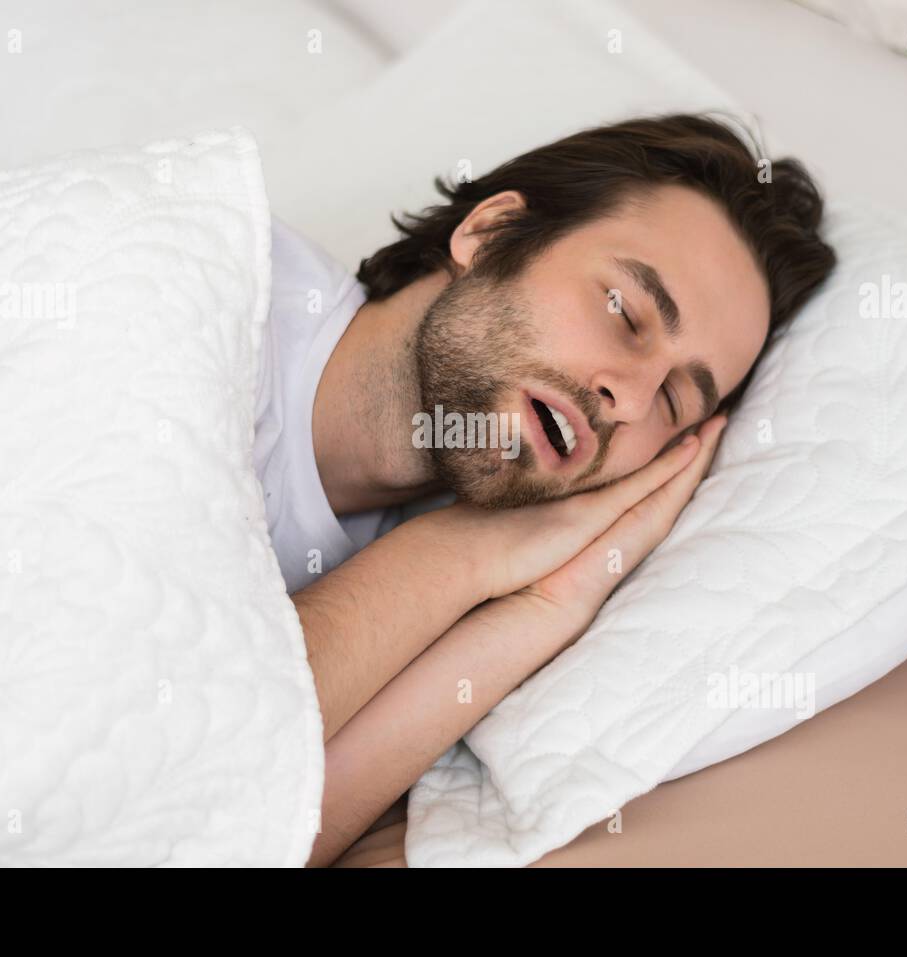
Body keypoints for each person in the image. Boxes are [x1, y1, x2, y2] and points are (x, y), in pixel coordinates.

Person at [251, 114, 837, 865]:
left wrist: (533, 596)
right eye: (626, 311)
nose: (626, 398)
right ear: (491, 233)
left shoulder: (418, 578)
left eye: (673, 403)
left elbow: (227, 831)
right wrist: (451, 555)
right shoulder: (201, 292)